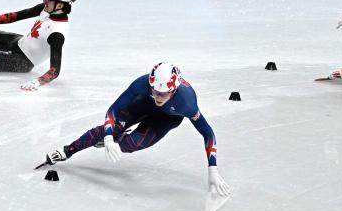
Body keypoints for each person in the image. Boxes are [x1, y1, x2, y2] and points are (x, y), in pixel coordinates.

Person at [41, 62, 231, 196]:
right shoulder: (142, 84)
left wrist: (212, 169)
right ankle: (68, 150)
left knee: (130, 144)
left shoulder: (187, 101)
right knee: (106, 131)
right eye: (154, 91)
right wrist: (107, 137)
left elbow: (208, 133)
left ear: (173, 91)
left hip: (166, 119)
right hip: (141, 105)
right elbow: (113, 110)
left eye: (163, 94)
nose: (157, 96)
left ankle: (115, 139)